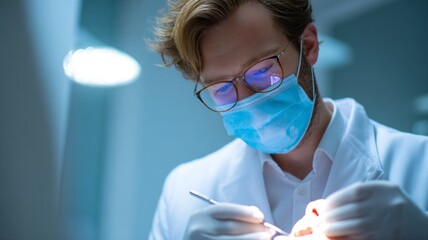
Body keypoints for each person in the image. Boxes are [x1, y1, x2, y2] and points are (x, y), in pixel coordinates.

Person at [148, 0, 428, 239]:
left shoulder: (421, 165)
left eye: (262, 71)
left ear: (308, 46)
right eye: (221, 89)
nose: (248, 102)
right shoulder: (182, 194)